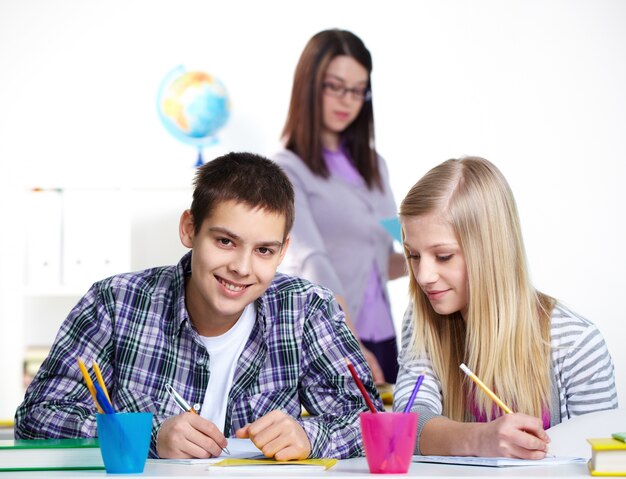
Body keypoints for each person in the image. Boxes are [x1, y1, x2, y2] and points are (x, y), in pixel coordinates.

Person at [15, 152, 382, 460]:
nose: (241, 267)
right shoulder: (114, 303)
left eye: (264, 250)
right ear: (190, 229)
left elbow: (370, 421)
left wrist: (310, 435)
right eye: (225, 241)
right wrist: (150, 437)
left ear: (283, 251)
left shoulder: (307, 310)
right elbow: (37, 417)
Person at [393, 157, 618, 459]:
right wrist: (480, 439)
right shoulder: (421, 322)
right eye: (413, 255)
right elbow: (409, 424)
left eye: (443, 256)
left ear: (491, 251)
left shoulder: (575, 342)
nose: (423, 276)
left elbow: (602, 460)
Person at [272, 29, 406, 385]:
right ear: (309, 84)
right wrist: (349, 342)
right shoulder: (287, 168)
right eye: (335, 86)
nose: (347, 100)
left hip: (383, 339)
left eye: (358, 89)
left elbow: (388, 251)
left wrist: (440, 254)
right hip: (330, 338)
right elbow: (314, 262)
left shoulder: (375, 166)